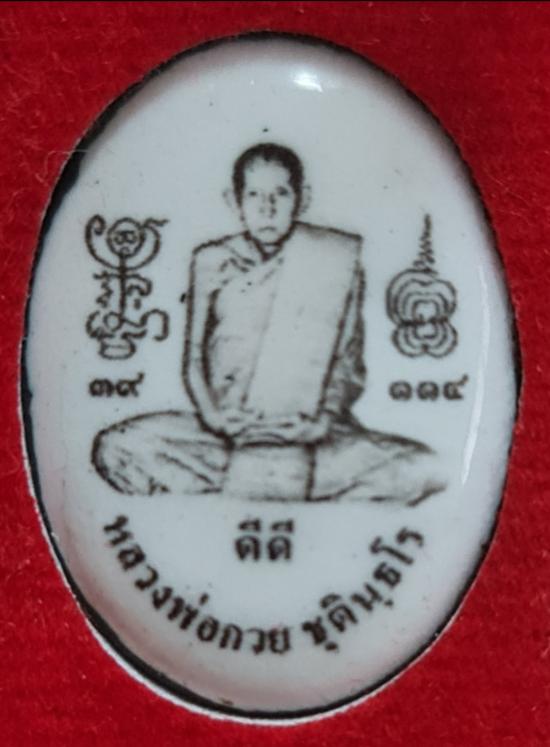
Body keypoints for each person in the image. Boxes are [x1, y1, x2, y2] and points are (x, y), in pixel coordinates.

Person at [92, 143, 445, 503]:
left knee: (419, 467)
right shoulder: (212, 261)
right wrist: (215, 419)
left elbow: (346, 361)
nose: (267, 208)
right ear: (234, 202)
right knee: (117, 447)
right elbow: (194, 359)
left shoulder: (333, 259)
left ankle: (230, 493)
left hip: (311, 436)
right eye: (254, 195)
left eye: (280, 194)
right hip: (227, 434)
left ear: (302, 200)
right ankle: (270, 493)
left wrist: (321, 422)